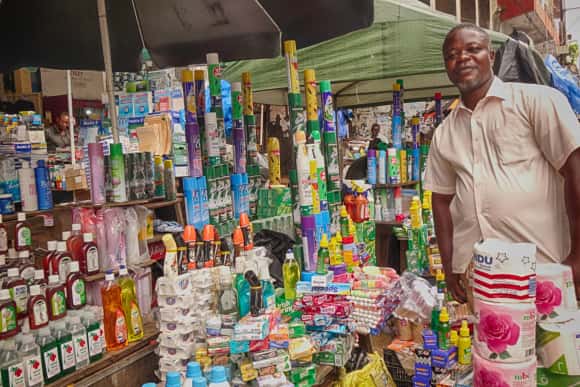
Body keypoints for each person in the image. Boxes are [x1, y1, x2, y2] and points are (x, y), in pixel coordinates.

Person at [424, 23, 580, 302]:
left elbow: (575, 169)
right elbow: (441, 202)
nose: (462, 58)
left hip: (544, 272)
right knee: (489, 346)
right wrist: (449, 269)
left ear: (491, 56)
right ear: (446, 65)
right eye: (452, 54)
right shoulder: (444, 133)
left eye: (473, 49)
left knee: (554, 346)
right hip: (479, 280)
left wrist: (579, 256)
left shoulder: (537, 102)